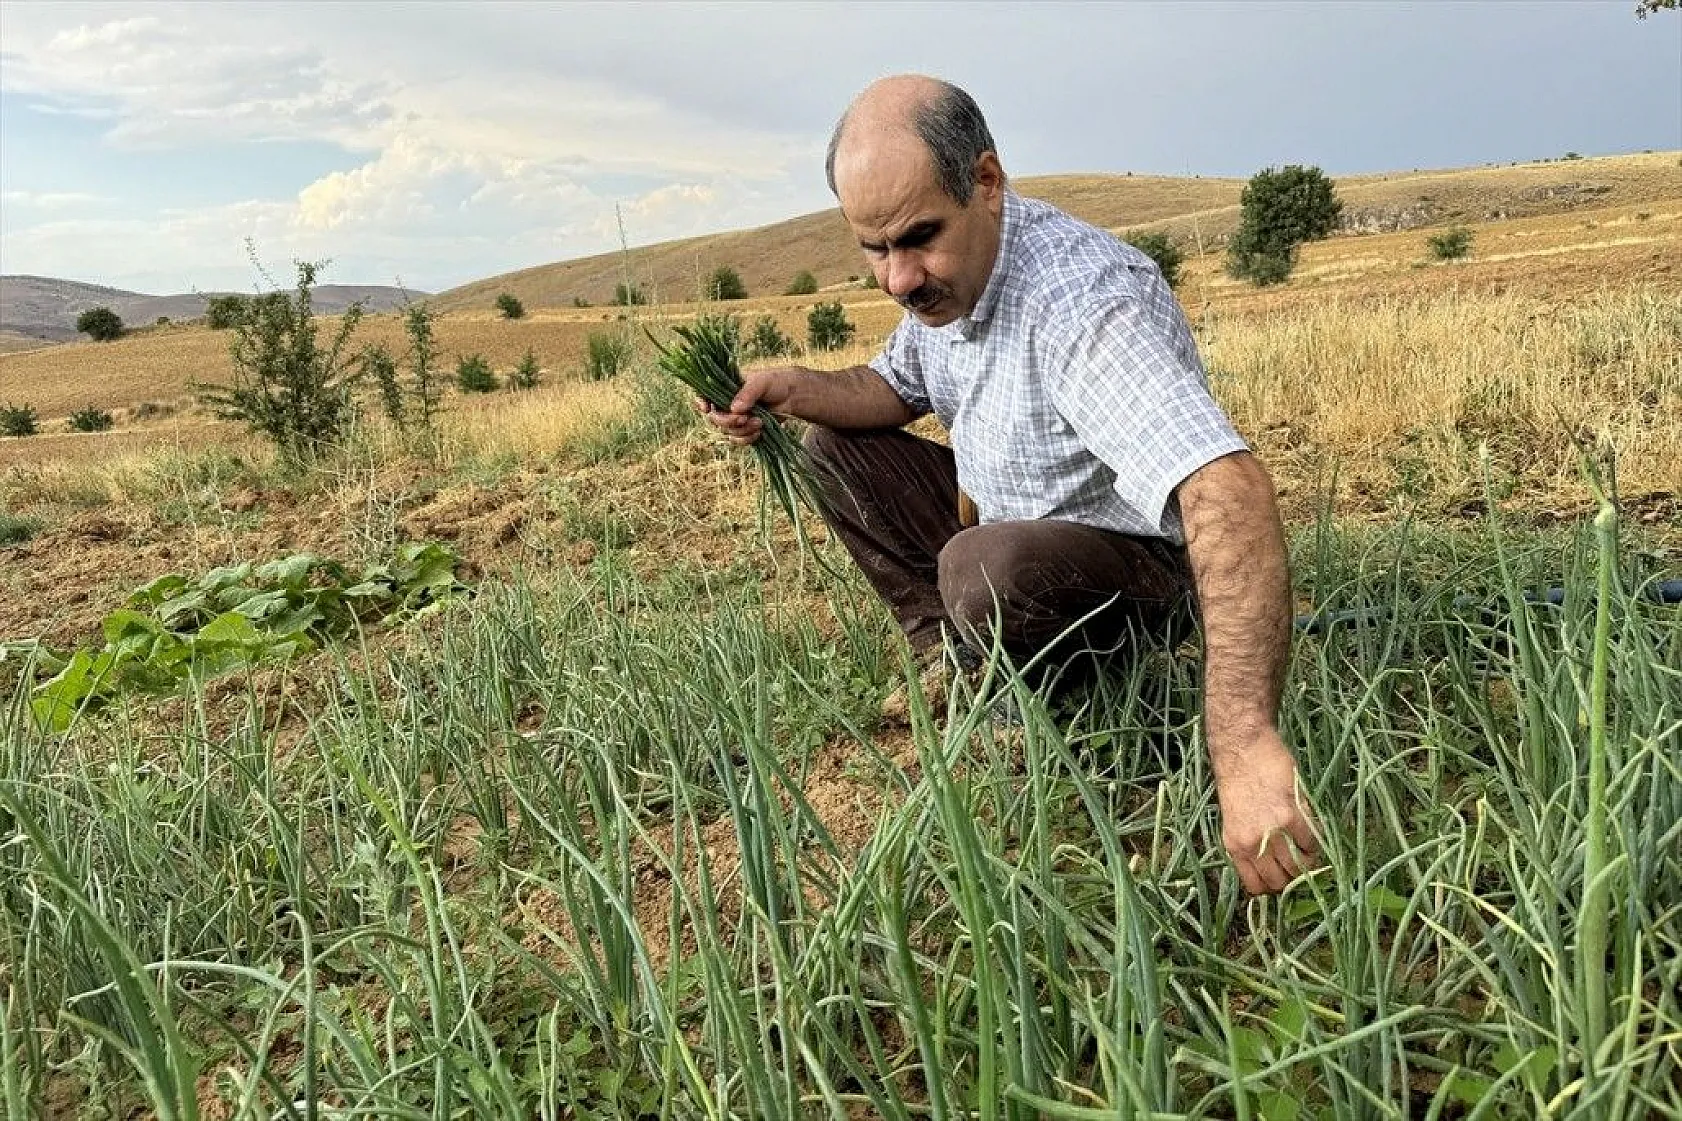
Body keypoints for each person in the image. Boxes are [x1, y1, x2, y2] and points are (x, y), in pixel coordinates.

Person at [701, 74, 1320, 896]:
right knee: (834, 449)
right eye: (874, 248)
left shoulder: (1084, 304)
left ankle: (1082, 673)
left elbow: (1227, 488)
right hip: (1010, 546)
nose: (898, 277)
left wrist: (1242, 744)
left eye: (918, 238)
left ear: (986, 182)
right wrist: (789, 386)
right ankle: (962, 666)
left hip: (1132, 571)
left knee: (982, 566)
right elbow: (892, 387)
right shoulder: (948, 284)